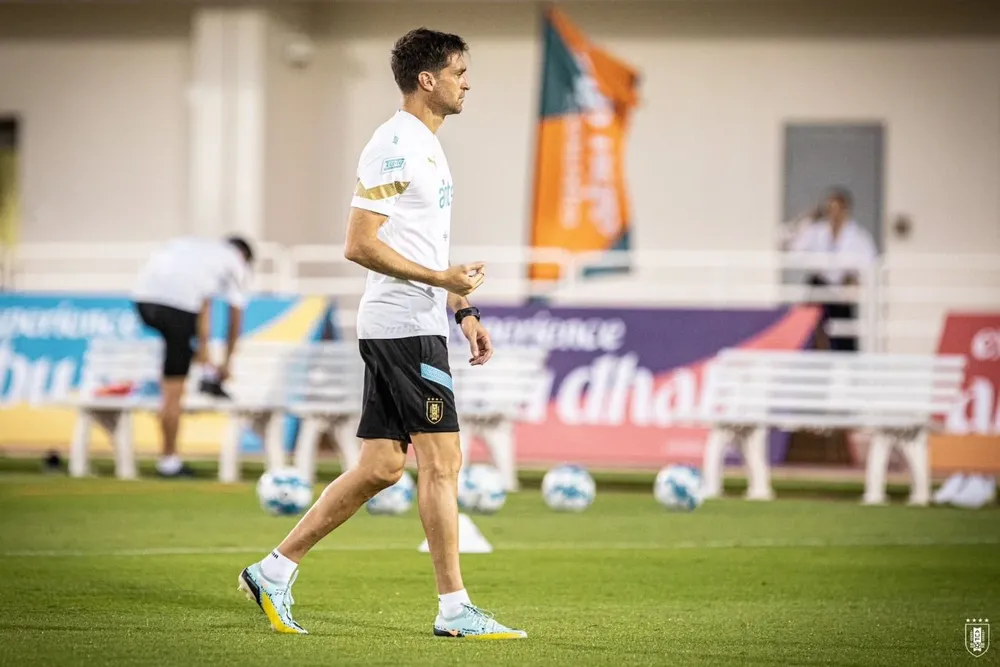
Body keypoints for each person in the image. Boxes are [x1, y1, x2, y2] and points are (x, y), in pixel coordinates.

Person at [238, 28, 526, 640]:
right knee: (443, 462)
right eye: (458, 71)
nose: (466, 82)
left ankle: (274, 569)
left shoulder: (427, 145)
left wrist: (462, 307)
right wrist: (439, 279)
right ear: (428, 79)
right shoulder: (395, 145)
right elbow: (359, 244)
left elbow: (423, 249)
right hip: (401, 328)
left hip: (415, 322)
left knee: (380, 467)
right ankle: (454, 610)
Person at [131, 235, 254, 477]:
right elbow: (234, 321)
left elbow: (203, 309)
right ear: (245, 257)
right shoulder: (236, 263)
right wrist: (228, 363)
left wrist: (203, 352)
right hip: (176, 307)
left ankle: (203, 371)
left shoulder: (201, 251)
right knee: (173, 392)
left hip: (142, 301)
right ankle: (169, 462)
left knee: (178, 355)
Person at [786, 187, 878, 351]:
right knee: (812, 314)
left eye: (837, 209)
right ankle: (812, 348)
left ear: (845, 210)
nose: (833, 214)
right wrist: (806, 219)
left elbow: (870, 262)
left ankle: (845, 360)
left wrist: (854, 276)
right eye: (829, 209)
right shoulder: (816, 231)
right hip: (821, 289)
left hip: (843, 292)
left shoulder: (858, 236)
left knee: (844, 336)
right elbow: (792, 248)